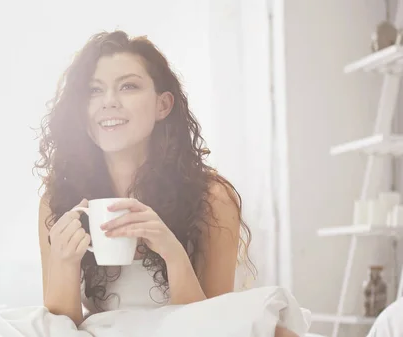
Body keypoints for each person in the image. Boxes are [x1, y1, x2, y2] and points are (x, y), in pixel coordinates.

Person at [34, 30, 298, 337]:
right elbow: (59, 328)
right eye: (94, 91)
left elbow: (218, 325)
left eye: (128, 86)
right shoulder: (57, 202)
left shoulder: (212, 198)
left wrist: (172, 253)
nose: (108, 102)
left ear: (163, 105)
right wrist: (65, 262)